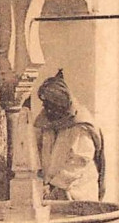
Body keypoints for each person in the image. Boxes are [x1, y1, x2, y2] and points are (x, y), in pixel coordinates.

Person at [34, 70, 105, 202]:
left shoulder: (80, 125)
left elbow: (79, 161)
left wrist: (55, 184)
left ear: (60, 105)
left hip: (78, 189)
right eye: (45, 105)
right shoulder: (47, 120)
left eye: (51, 105)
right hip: (51, 188)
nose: (47, 109)